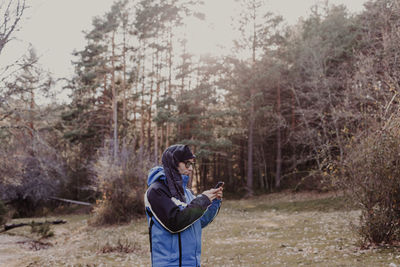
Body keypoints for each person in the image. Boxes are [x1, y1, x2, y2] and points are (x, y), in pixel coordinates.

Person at [144, 144, 223, 267]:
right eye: (187, 163)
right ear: (174, 162)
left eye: (192, 164)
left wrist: (213, 202)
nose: (190, 169)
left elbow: (198, 221)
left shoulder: (187, 192)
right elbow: (175, 221)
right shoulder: (156, 191)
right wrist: (202, 200)